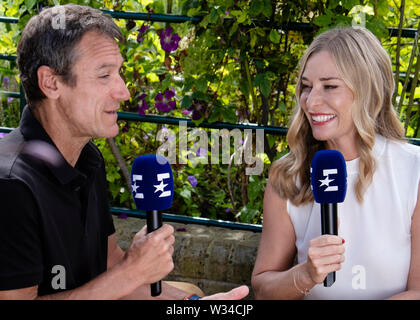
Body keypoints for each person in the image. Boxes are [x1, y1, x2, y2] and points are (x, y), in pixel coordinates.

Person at [0, 4, 249, 300]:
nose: (124, 92)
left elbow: (109, 264)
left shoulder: (87, 157)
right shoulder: (11, 185)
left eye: (119, 73)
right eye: (104, 75)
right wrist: (131, 271)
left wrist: (192, 305)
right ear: (51, 82)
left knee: (192, 290)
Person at [251, 26, 420, 300]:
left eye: (330, 86)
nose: (311, 101)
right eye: (306, 87)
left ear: (368, 90)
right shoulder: (288, 175)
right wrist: (304, 274)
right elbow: (263, 290)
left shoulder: (414, 172)